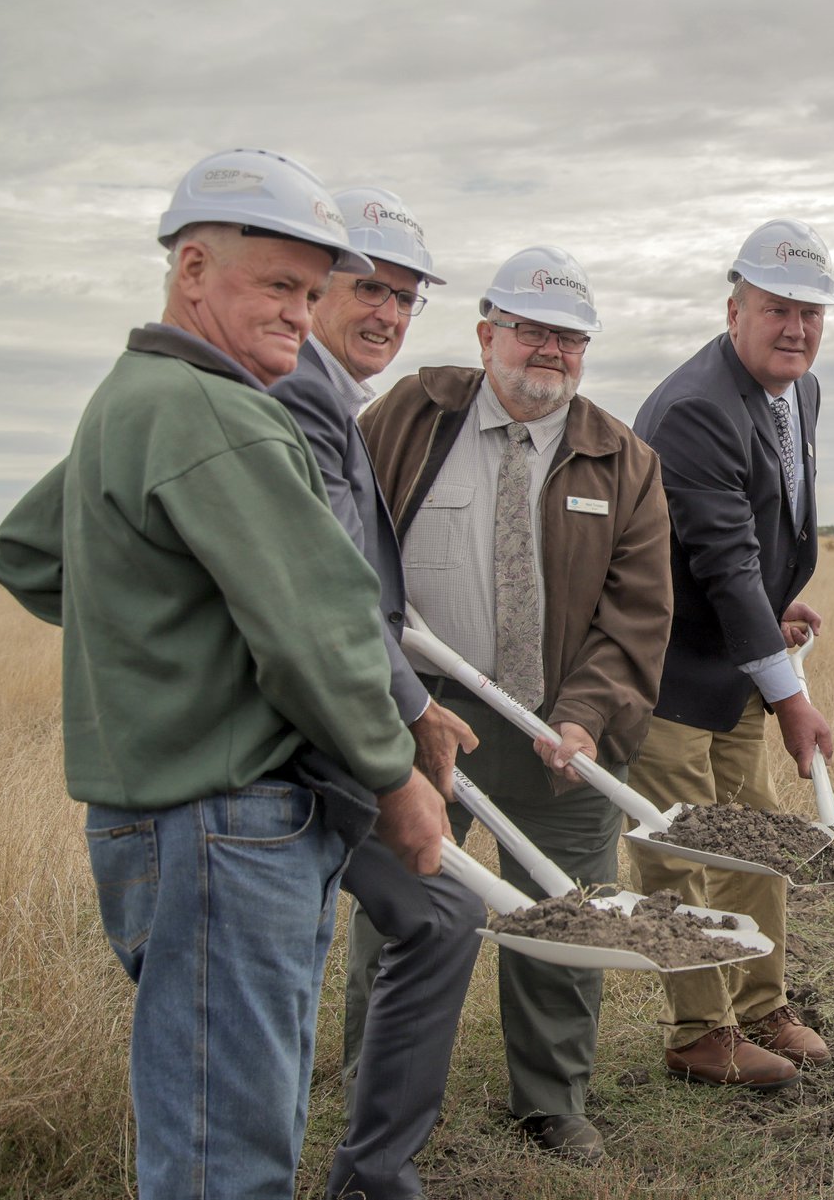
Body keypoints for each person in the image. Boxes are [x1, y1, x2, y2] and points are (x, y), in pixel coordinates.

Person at [0, 149, 448, 1197]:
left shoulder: (136, 395)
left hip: (167, 826)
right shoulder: (218, 413)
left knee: (226, 1123)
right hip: (229, 826)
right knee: (225, 1157)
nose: (304, 312)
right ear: (193, 268)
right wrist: (396, 781)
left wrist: (166, 641)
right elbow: (318, 632)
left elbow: (26, 550)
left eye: (312, 290)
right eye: (278, 286)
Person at [354, 245, 674, 1161]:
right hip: (422, 715)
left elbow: (638, 610)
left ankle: (549, 1101)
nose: (550, 351)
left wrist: (584, 714)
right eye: (532, 329)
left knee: (562, 910)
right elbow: (347, 546)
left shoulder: (624, 458)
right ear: (487, 331)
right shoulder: (411, 415)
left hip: (560, 726)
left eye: (570, 338)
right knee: (402, 911)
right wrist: (398, 699)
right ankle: (377, 1094)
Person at [266, 186, 486, 1199]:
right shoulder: (297, 396)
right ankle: (368, 1173)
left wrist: (418, 703)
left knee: (438, 916)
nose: (389, 316)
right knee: (431, 915)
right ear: (313, 287)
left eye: (406, 299)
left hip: (331, 724)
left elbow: (351, 586)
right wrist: (401, 723)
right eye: (370, 289)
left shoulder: (327, 394)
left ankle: (371, 1171)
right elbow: (325, 597)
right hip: (297, 741)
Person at [629, 218, 834, 1089]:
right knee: (682, 853)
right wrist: (792, 697)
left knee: (756, 839)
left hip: (735, 661)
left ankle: (761, 1005)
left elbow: (752, 536)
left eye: (810, 312)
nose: (795, 327)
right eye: (776, 308)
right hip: (671, 671)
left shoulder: (800, 390)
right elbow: (719, 558)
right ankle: (698, 1030)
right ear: (735, 307)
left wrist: (772, 603)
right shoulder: (693, 409)